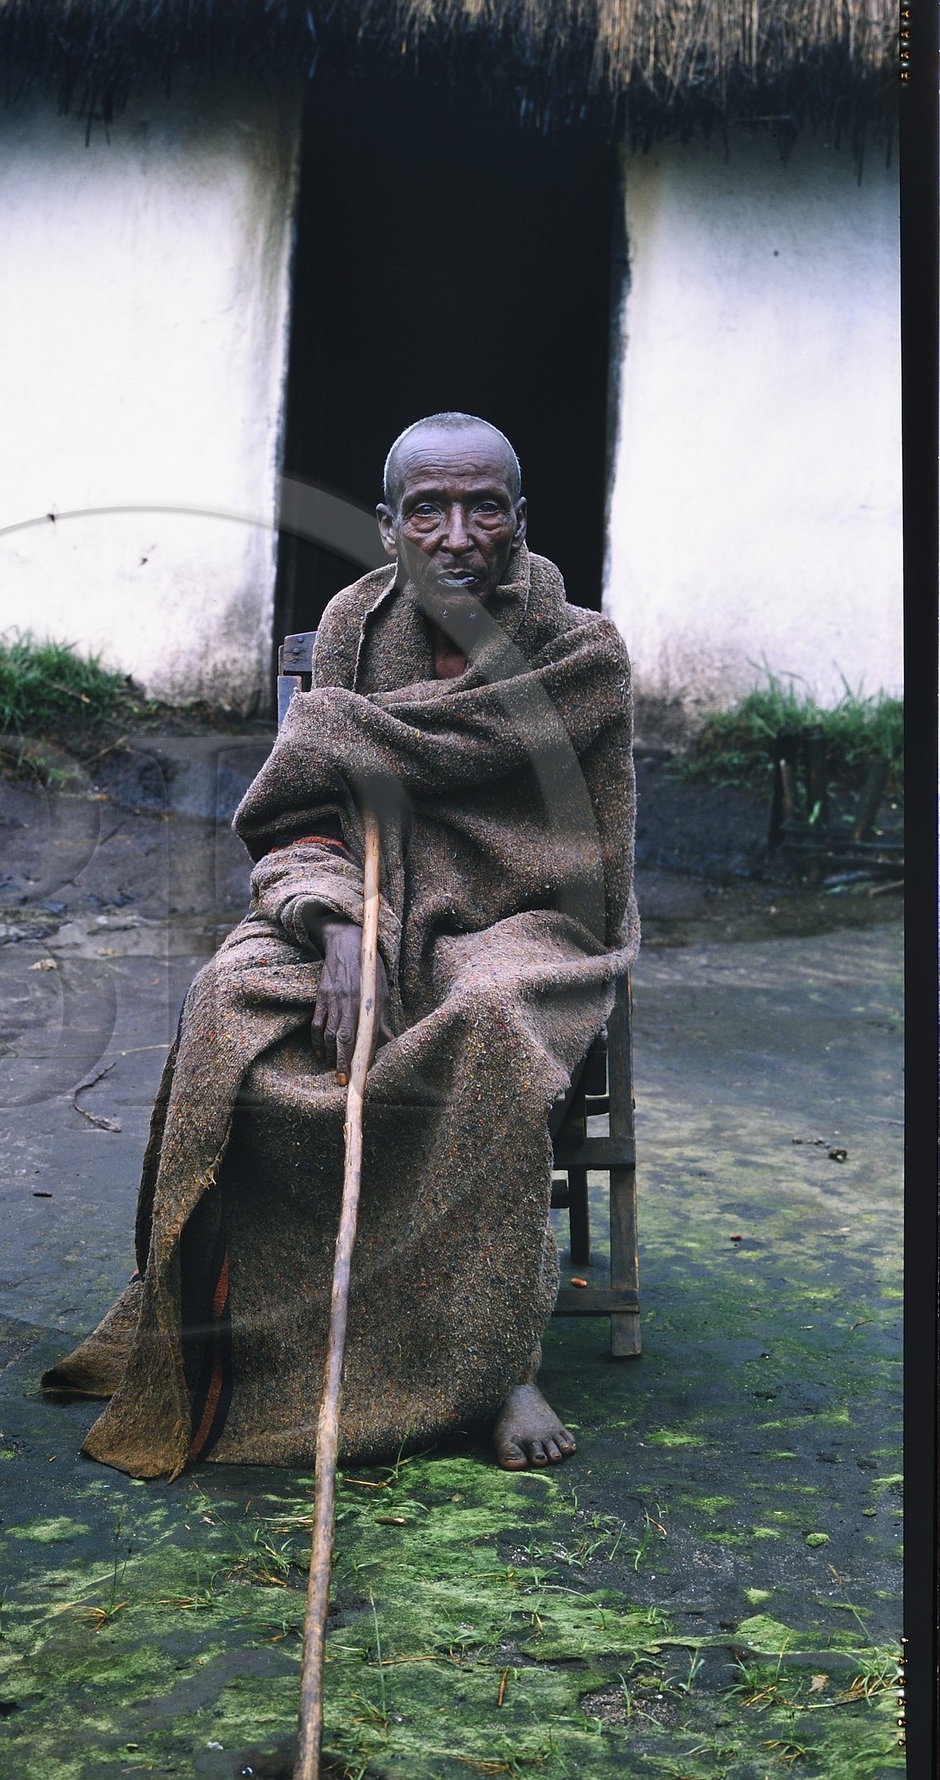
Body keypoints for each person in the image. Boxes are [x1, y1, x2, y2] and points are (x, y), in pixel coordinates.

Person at [44, 414, 637, 1476]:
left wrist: (418, 884)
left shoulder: (581, 650)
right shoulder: (350, 630)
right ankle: (239, 1321)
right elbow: (302, 812)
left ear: (519, 520)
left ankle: (498, 1360)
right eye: (427, 509)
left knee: (488, 1020)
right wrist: (336, 919)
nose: (456, 533)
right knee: (232, 998)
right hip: (360, 895)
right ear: (386, 526)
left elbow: (586, 854)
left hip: (523, 911)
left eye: (483, 506)